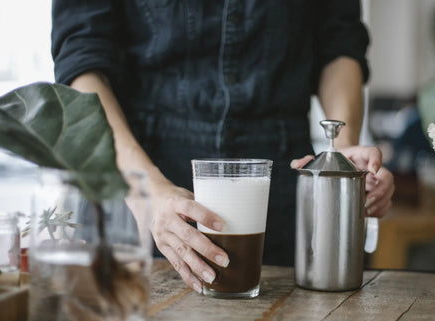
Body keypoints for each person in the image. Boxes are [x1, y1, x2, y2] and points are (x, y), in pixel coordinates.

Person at [51, 1, 395, 293]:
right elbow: (81, 61)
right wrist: (147, 193)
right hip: (134, 176)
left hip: (281, 187)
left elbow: (339, 43)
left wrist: (342, 149)